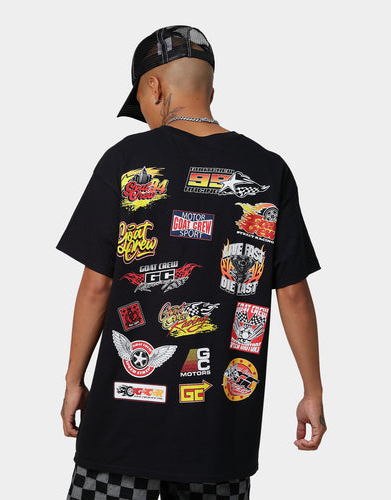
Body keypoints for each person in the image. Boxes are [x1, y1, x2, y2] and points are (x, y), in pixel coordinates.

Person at [57, 25, 326, 500]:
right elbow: (294, 294)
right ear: (210, 91)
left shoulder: (125, 160)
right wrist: (312, 391)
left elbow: (97, 286)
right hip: (219, 433)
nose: (145, 117)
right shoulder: (269, 169)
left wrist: (73, 380)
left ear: (154, 88)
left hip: (122, 426)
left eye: (141, 104)